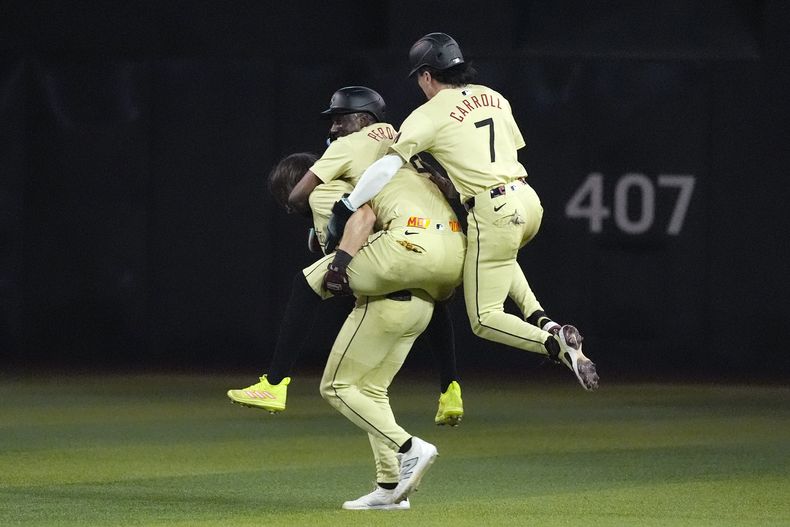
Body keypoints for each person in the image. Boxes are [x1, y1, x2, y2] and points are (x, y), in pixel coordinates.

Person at [324, 33, 599, 391]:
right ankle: (544, 320)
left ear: (426, 75)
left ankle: (553, 345)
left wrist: (347, 206)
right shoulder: (495, 98)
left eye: (419, 77)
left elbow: (386, 167)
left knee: (485, 318)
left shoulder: (428, 114)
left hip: (493, 208)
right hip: (527, 201)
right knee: (495, 256)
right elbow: (496, 154)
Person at [227, 88, 466, 427]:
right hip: (453, 248)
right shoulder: (406, 143)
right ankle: (450, 388)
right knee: (378, 384)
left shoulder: (347, 148)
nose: (334, 128)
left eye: (340, 119)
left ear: (364, 118)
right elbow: (448, 187)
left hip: (406, 245)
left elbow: (301, 196)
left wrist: (335, 255)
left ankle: (274, 383)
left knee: (306, 284)